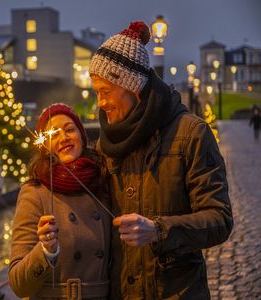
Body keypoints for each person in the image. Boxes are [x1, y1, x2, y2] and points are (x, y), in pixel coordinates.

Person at [89, 21, 233, 299]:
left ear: (132, 87)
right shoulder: (106, 143)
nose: (100, 103)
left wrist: (159, 230)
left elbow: (220, 219)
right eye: (96, 93)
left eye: (105, 91)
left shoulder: (191, 133)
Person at [8, 103, 111, 299]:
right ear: (45, 146)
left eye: (70, 129)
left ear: (81, 135)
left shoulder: (102, 180)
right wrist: (46, 251)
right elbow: (18, 285)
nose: (64, 138)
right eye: (54, 134)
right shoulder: (35, 192)